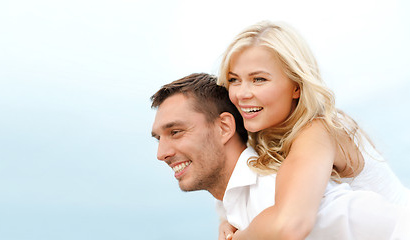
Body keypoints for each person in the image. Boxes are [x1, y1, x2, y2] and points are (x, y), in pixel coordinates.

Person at [150, 73, 409, 240]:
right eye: (159, 138)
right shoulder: (236, 200)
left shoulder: (276, 193)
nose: (162, 153)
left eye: (176, 131)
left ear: (224, 128)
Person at [216, 20, 410, 239]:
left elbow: (291, 224)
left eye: (258, 79)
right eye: (234, 80)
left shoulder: (319, 129)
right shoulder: (265, 138)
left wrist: (239, 236)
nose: (242, 93)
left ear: (296, 86)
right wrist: (228, 218)